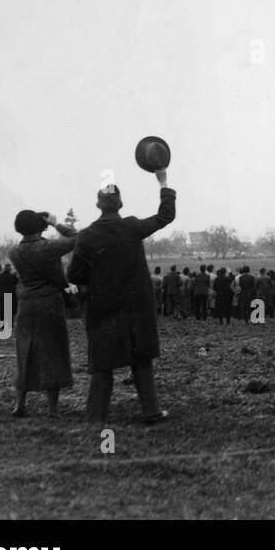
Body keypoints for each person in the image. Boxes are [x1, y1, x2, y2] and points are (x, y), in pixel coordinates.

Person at [66, 174, 175, 425]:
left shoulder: (86, 236)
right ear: (121, 203)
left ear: (97, 205)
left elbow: (74, 275)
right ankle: (151, 411)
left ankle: (96, 417)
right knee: (142, 360)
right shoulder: (132, 226)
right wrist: (163, 182)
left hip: (102, 307)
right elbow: (165, 216)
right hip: (137, 305)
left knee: (102, 366)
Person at [8, 210, 77, 418]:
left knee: (24, 351)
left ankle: (20, 404)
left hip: (26, 304)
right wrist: (56, 224)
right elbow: (76, 238)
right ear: (40, 226)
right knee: (53, 352)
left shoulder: (14, 252)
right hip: (49, 302)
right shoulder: (47, 248)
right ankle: (53, 409)